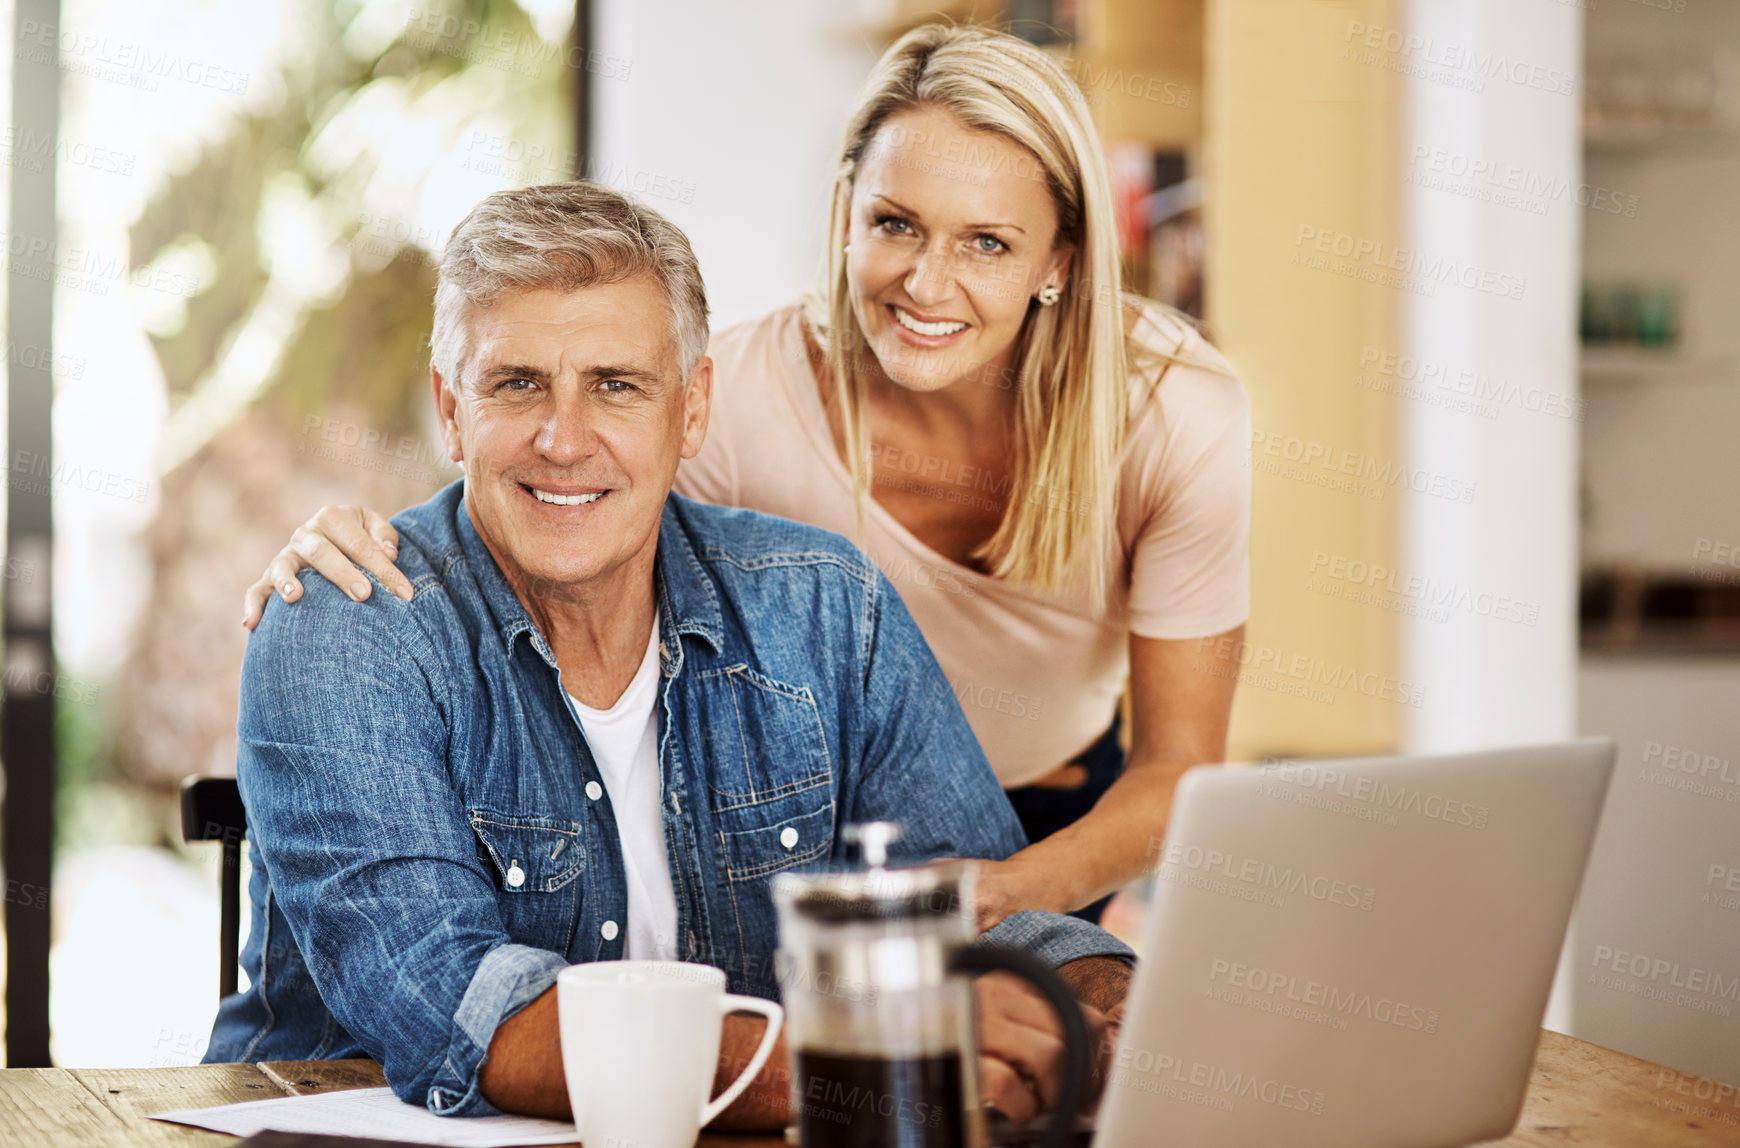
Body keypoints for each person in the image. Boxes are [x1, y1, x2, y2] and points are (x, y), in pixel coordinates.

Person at [241, 25, 1251, 929]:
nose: (926, 283)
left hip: (1065, 811)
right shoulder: (734, 403)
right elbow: (547, 489)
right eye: (896, 223)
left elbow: (1180, 763)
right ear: (848, 212)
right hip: (819, 814)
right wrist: (359, 554)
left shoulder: (1176, 420)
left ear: (1060, 262)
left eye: (987, 242)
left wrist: (1002, 899)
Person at [204, 181, 1133, 1127]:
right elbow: (464, 1014)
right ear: (451, 411)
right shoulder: (348, 627)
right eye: (517, 384)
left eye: (616, 385)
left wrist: (1110, 1008)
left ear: (691, 411)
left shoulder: (822, 608)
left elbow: (986, 918)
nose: (564, 440)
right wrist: (871, 1053)